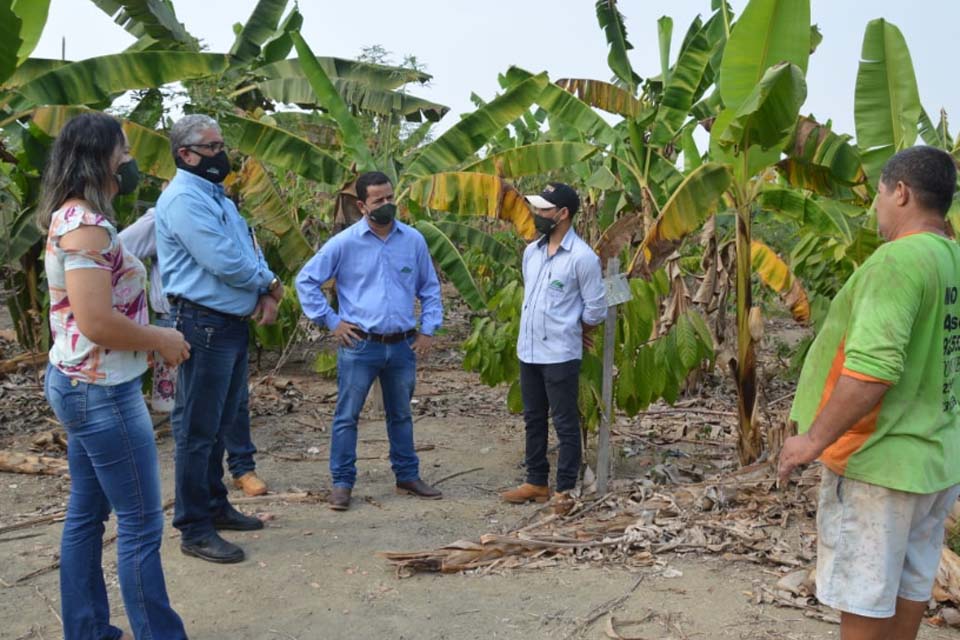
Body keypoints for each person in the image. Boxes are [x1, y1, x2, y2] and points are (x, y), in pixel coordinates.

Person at [778, 146, 960, 640]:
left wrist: (811, 441)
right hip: (936, 461)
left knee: (864, 593)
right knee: (909, 582)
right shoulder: (952, 259)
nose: (876, 207)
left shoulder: (897, 262)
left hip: (878, 462)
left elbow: (871, 372)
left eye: (879, 194)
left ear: (900, 192)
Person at [39, 112, 189, 639]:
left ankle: (87, 631)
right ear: (101, 158)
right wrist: (163, 340)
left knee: (86, 515)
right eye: (123, 153)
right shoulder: (87, 227)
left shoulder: (71, 217)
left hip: (80, 383)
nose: (129, 162)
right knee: (142, 524)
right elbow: (97, 321)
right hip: (100, 392)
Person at [156, 114, 281, 563]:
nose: (220, 154)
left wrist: (263, 288)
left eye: (220, 144)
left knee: (219, 424)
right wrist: (268, 284)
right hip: (201, 324)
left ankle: (214, 506)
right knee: (196, 430)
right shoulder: (183, 200)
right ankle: (194, 527)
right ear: (186, 155)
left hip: (227, 322)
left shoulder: (216, 196)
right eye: (211, 147)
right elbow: (223, 260)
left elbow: (247, 245)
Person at [295, 171, 444, 511]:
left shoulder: (413, 240)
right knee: (347, 415)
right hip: (361, 344)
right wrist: (331, 322)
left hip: (402, 344)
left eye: (390, 197)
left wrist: (428, 329)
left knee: (401, 414)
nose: (387, 205)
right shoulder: (345, 243)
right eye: (379, 200)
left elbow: (430, 288)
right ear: (362, 205)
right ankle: (342, 483)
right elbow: (306, 280)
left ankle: (407, 475)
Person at [120, 205, 268, 496]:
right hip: (177, 321)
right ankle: (191, 479)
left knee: (235, 400)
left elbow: (248, 255)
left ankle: (242, 467)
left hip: (224, 318)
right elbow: (116, 252)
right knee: (185, 405)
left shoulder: (222, 212)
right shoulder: (163, 214)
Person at [501, 183, 606, 514]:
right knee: (533, 418)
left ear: (563, 214)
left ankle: (564, 489)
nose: (538, 214)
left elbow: (596, 309)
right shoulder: (531, 252)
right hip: (528, 350)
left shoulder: (582, 258)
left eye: (545, 210)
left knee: (564, 421)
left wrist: (577, 328)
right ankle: (536, 481)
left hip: (560, 352)